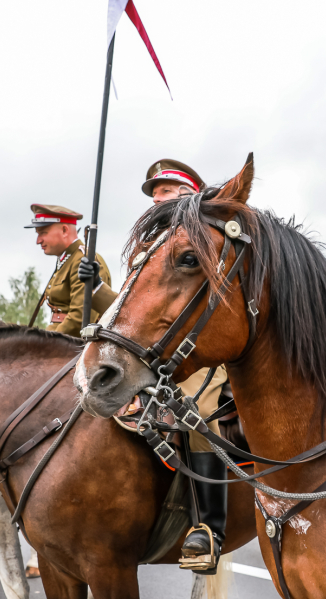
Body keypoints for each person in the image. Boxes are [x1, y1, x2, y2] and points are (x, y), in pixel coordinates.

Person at [85, 158, 229, 574]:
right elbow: (135, 310)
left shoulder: (205, 238)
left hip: (200, 347)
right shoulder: (151, 244)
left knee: (197, 412)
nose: (156, 198)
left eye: (165, 190)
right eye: (154, 192)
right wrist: (96, 289)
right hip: (156, 350)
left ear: (189, 195)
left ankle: (209, 528)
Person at [27, 205, 115, 336]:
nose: (38, 241)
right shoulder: (67, 259)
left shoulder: (83, 260)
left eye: (42, 233)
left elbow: (79, 319)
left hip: (71, 344)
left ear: (64, 230)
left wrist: (45, 341)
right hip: (60, 340)